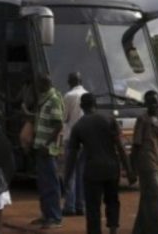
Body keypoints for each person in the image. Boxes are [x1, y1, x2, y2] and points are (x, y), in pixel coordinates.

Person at [64, 93, 135, 234]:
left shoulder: (78, 126)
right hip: (112, 169)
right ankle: (113, 230)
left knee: (93, 208)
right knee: (112, 201)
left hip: (92, 171)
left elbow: (72, 156)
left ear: (82, 106)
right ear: (95, 104)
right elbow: (120, 147)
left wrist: (67, 178)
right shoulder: (109, 119)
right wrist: (129, 171)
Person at [131, 90, 158, 234]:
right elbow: (136, 145)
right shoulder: (143, 120)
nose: (154, 105)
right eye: (151, 102)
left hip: (155, 163)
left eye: (156, 102)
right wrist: (132, 169)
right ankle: (154, 229)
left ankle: (138, 230)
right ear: (146, 104)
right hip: (146, 164)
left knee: (146, 201)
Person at [31, 75, 65, 229]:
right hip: (41, 148)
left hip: (48, 150)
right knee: (44, 184)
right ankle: (46, 215)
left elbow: (58, 125)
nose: (36, 86)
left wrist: (47, 144)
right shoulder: (45, 99)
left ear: (45, 84)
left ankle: (55, 217)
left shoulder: (54, 100)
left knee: (51, 184)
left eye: (38, 83)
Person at [62, 71, 87, 216]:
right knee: (81, 172)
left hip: (71, 137)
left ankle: (69, 205)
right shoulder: (87, 94)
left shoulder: (69, 96)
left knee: (70, 172)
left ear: (70, 82)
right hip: (84, 139)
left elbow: (65, 117)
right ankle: (80, 205)